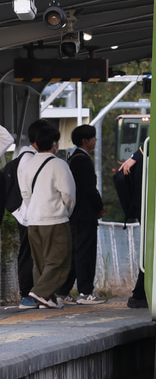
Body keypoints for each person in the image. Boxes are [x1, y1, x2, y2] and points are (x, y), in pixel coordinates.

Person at [20, 123, 75, 309]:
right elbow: (68, 194)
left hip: (33, 220)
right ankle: (39, 294)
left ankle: (48, 300)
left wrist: (34, 210)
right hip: (55, 219)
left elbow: (26, 193)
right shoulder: (59, 164)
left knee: (40, 262)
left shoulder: (28, 164)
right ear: (54, 144)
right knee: (61, 261)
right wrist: (65, 211)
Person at [13, 119, 58, 308]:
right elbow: (27, 191)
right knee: (29, 255)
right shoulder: (29, 159)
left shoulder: (28, 156)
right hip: (29, 215)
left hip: (32, 214)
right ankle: (27, 295)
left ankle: (37, 294)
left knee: (36, 255)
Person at [60, 125, 104, 302]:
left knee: (74, 252)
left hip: (74, 214)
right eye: (93, 138)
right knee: (85, 252)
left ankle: (63, 290)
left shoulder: (73, 159)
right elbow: (89, 189)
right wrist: (99, 206)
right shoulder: (83, 160)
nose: (95, 141)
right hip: (84, 214)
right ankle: (85, 291)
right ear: (85, 140)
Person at [117, 149, 147, 308]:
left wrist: (136, 156)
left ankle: (141, 293)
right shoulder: (146, 153)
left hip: (144, 209)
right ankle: (140, 293)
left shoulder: (142, 155)